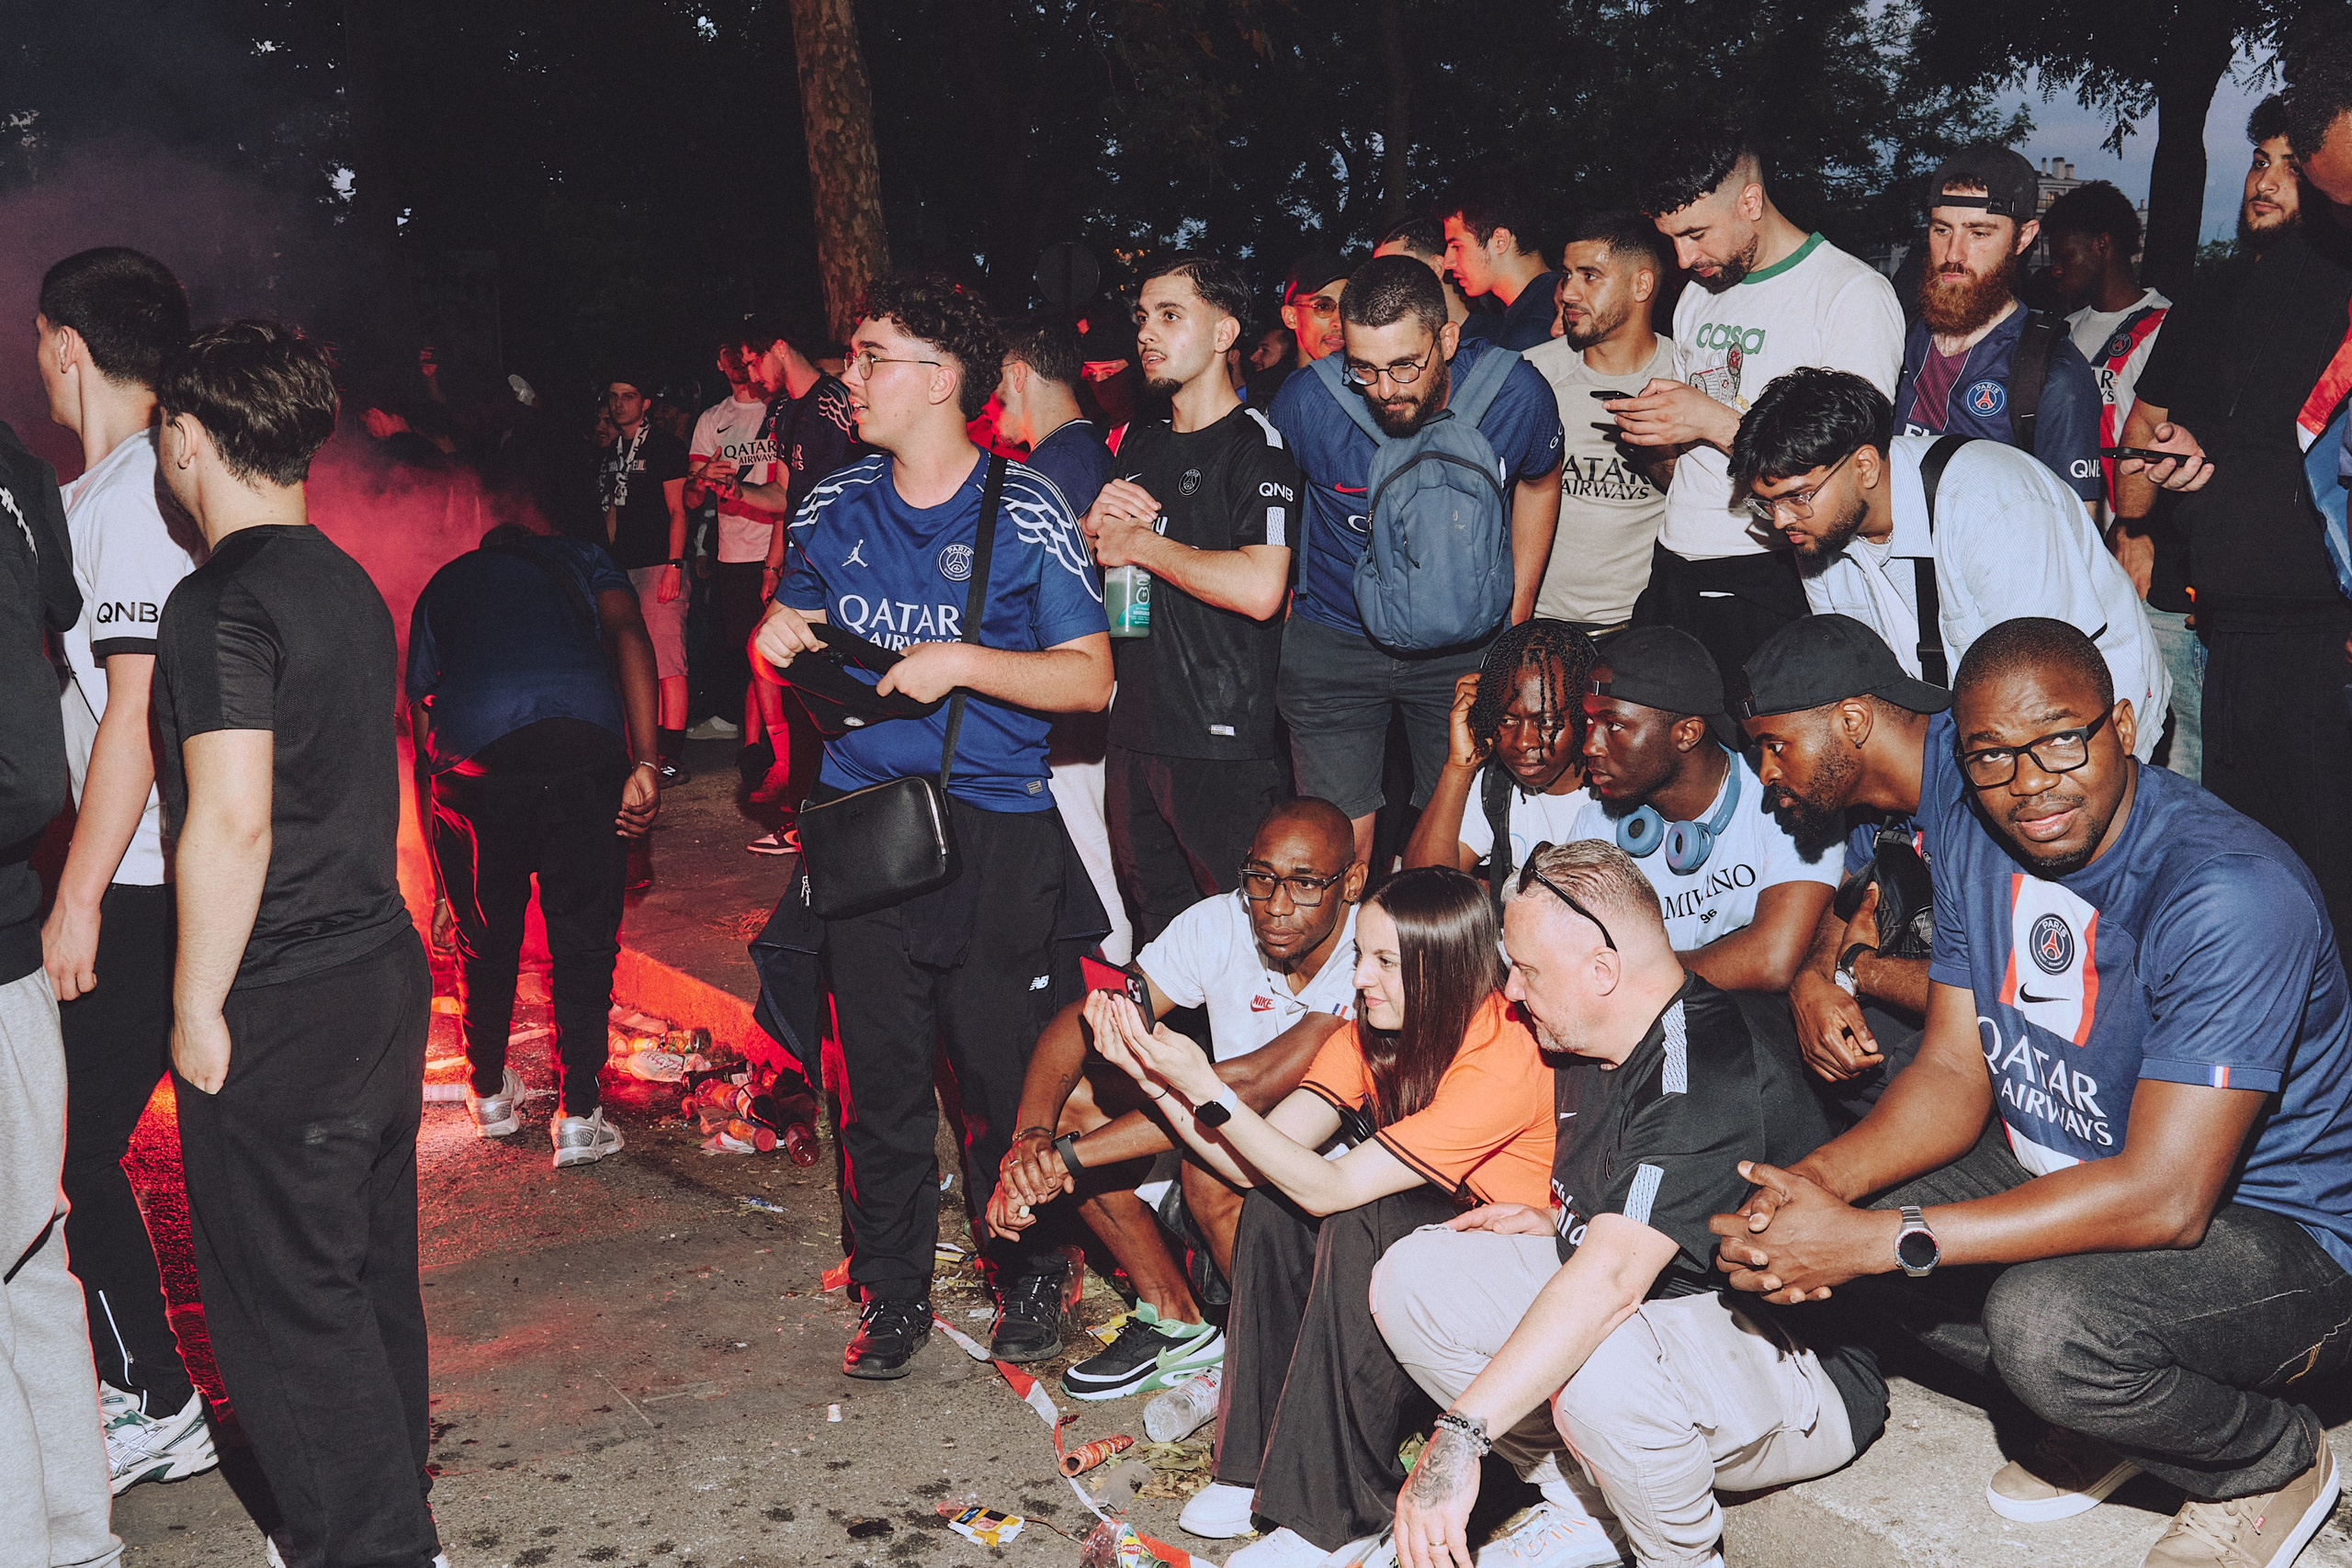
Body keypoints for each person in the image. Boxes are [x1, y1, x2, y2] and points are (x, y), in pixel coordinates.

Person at [1712, 618, 2352, 1568]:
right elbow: (1946, 1075)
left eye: (2061, 740)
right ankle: (2117, 1423)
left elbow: (2166, 1199)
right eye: (1991, 757)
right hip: (2080, 1165)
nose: (2030, 783)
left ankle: (2266, 1461)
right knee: (1853, 1218)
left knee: (2046, 1329)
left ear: (2122, 725)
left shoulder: (2225, 891)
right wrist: (1812, 1195)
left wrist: (1880, 1243)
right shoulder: (1973, 833)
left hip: (2281, 1238)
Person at [753, 274, 1113, 1377]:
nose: (848, 377)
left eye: (871, 357)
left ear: (940, 380)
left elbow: (1090, 683)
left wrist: (964, 663)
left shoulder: (1025, 506)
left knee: (1003, 1077)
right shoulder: (831, 502)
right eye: (854, 356)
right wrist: (774, 636)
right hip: (865, 828)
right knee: (880, 1075)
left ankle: (1032, 1273)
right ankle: (895, 1290)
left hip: (997, 835)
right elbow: (796, 618)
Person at [1374, 840, 1883, 1568]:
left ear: (1603, 971)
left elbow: (1612, 1282)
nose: (1511, 991)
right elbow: (1663, 1210)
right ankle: (1584, 1502)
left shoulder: (1696, 1066)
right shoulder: (1590, 1034)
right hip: (1675, 1321)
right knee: (1415, 1275)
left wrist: (1458, 1437)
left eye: (1526, 969)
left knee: (1597, 1360)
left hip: (1804, 1371)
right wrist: (1561, 1219)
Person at [152, 321, 438, 1567]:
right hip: (374, 967)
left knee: (288, 1299)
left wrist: (196, 1005)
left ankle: (368, 1545)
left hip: (285, 990)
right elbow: (379, 771)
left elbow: (230, 814)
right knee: (368, 1274)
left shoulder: (218, 598)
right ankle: (390, 1514)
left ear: (191, 439)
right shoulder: (341, 576)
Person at [1088, 867, 1559, 1567]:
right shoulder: (1370, 1032)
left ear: (1443, 970)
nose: (1359, 976)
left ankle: (1340, 1514)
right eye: (1360, 955)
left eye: (1383, 962)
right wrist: (1159, 1078)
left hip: (1522, 1291)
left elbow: (1333, 1188)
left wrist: (1204, 1082)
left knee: (1363, 1218)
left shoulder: (1500, 1052)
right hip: (1448, 1257)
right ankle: (1251, 1463)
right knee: (1276, 1204)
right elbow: (1257, 1158)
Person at [32, 247, 218, 1495]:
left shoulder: (126, 500)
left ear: (65, 345)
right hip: (153, 873)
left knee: (61, 1151)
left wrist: (80, 893)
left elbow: (133, 716)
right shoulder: (130, 486)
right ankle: (150, 1383)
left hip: (146, 879)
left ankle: (154, 1394)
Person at [986, 799, 1363, 1405]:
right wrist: (1030, 1142)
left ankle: (1276, 1356)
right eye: (1261, 876)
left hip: (1338, 1198)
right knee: (1074, 1101)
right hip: (1226, 1148)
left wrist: (1063, 1163)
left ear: (1351, 882)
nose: (1277, 903)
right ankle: (1178, 1320)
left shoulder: (1371, 952)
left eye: (1305, 883)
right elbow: (1083, 1017)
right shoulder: (1221, 921)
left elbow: (1251, 1088)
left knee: (1212, 1158)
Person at [2115, 94, 2352, 938]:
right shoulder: (2214, 293)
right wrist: (2136, 520)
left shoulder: (2340, 280)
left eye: (2294, 164)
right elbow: (2151, 425)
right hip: (2223, 624)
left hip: (2325, 630)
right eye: (2260, 161)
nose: (2269, 181)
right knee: (2252, 858)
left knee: (2330, 861)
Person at [1271, 254, 1565, 867]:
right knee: (1335, 854)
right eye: (1365, 369)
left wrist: (1519, 609)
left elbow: (1540, 479)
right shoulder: (1307, 402)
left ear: (1449, 339)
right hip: (1336, 643)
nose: (1385, 389)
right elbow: (1266, 506)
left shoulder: (1517, 395)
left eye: (1406, 365)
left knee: (1455, 849)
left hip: (1465, 648)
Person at [1735, 367, 2167, 761]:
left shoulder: (1992, 505)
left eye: (1797, 496)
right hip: (1973, 733)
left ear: (1864, 466)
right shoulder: (1816, 533)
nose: (1780, 520)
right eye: (1765, 504)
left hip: (2092, 721)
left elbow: (2044, 689)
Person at [408, 523, 661, 1166]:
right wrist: (649, 764)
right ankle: (579, 1113)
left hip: (473, 762)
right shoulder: (579, 552)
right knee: (582, 932)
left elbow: (424, 732)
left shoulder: (445, 584)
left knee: (484, 930)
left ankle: (489, 1093)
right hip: (582, 745)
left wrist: (446, 880)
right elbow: (630, 632)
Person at [1616, 124, 1904, 675]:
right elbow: (1692, 463)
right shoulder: (1700, 293)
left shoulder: (1850, 293)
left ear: (1751, 200)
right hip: (1674, 563)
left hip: (1772, 570)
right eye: (1671, 237)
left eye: (1696, 233)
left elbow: (1850, 466)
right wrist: (1658, 440)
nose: (1682, 258)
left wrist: (1709, 419)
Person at [1080, 254, 1299, 939]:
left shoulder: (1255, 447)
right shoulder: (1140, 445)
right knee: (1163, 940)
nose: (1147, 333)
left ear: (1225, 332)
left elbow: (1263, 589)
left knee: (1246, 938)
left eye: (1171, 316)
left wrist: (1140, 544)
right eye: (1143, 318)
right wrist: (1103, 543)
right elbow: (1125, 609)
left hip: (1222, 743)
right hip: (1138, 734)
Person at [0, 412, 121, 1568]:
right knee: (28, 1261)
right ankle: (76, 1540)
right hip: (10, 959)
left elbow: (21, 766)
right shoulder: (23, 479)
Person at [1735, 615, 1952, 1125]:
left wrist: (1859, 969)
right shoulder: (1871, 796)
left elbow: (1997, 998)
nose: (1766, 773)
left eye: (1776, 745)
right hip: (1936, 1006)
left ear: (1852, 722)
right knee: (1739, 1024)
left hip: (2010, 1051)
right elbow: (1854, 896)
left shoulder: (1978, 786)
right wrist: (1810, 981)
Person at [1571, 626, 1836, 990]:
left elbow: (1772, 960)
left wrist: (1631, 976)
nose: (1590, 747)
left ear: (1687, 733)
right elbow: (1574, 960)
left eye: (1614, 725)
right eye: (1589, 722)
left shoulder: (1783, 794)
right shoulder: (1594, 825)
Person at [2040, 179, 2191, 778]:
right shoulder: (2060, 334)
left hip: (2134, 550)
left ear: (2103, 245)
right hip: (2074, 550)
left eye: (2066, 250)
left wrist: (2142, 528)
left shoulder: (2163, 327)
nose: (2055, 267)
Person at [996, 312, 1129, 961]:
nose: (991, 405)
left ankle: (1113, 981)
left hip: (1068, 675)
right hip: (1079, 672)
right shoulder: (1077, 451)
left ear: (1018, 374)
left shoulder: (1057, 464)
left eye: (995, 385)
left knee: (1086, 842)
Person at [1894, 146, 2102, 513]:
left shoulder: (2053, 373)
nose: (1953, 254)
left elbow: (2074, 542)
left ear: (2022, 238)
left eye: (1979, 233)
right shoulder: (1898, 340)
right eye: (1942, 229)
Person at [1522, 212, 1679, 637]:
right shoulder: (1532, 376)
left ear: (1641, 285)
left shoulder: (1685, 378)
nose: (1568, 292)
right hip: (1537, 627)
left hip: (1640, 633)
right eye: (1568, 275)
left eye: (1590, 276)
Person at [1402, 620, 1599, 899]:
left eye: (1546, 722)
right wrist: (1458, 767)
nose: (1523, 742)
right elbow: (1420, 894)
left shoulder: (1613, 788)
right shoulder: (1495, 784)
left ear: (1583, 716)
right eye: (1506, 720)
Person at [683, 340, 784, 763]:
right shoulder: (713, 419)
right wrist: (701, 478)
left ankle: (774, 746)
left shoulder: (779, 410)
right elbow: (689, 499)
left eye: (744, 355)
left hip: (781, 547)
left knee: (782, 649)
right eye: (726, 354)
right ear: (718, 362)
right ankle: (756, 747)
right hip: (736, 553)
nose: (738, 364)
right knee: (750, 651)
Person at [596, 375, 691, 785]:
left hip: (658, 564)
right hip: (622, 568)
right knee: (634, 660)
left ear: (646, 402)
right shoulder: (610, 452)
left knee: (668, 662)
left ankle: (671, 755)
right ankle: (644, 753)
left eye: (628, 397)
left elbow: (678, 510)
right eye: (613, 397)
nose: (619, 404)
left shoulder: (665, 447)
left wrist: (675, 565)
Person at [1442, 179, 1562, 351]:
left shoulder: (1534, 332)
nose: (1447, 262)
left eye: (1456, 246)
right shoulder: (1539, 306)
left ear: (1500, 241)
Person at [1372, 215, 1475, 333]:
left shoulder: (1495, 342)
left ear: (1436, 268)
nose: (1384, 285)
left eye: (1396, 271)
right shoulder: (1398, 344)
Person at [1278, 250, 1350, 368]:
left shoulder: (1374, 382)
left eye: (1347, 308)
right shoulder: (1268, 385)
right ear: (1291, 317)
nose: (1339, 323)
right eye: (1323, 307)